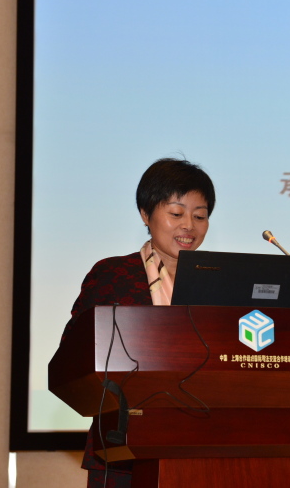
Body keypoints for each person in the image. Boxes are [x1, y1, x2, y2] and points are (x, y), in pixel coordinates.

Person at [62, 157, 216, 488]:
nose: (189, 225)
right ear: (146, 214)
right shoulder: (113, 274)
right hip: (124, 449)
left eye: (200, 216)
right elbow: (73, 355)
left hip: (208, 447)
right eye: (176, 213)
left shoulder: (219, 281)